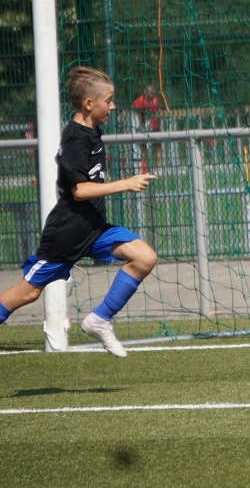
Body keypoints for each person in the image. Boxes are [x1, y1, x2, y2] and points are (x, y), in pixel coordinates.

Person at [0, 66, 158, 357]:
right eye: (108, 100)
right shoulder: (75, 137)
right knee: (27, 293)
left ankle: (99, 320)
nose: (112, 106)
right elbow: (80, 191)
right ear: (88, 103)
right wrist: (126, 183)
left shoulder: (91, 132)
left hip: (94, 228)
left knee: (145, 256)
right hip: (67, 234)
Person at [132, 84, 162, 165]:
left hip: (154, 125)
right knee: (144, 146)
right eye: (149, 90)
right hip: (144, 125)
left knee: (157, 145)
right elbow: (135, 109)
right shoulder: (141, 99)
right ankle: (144, 165)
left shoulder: (155, 99)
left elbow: (158, 111)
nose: (151, 92)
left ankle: (160, 165)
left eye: (152, 91)